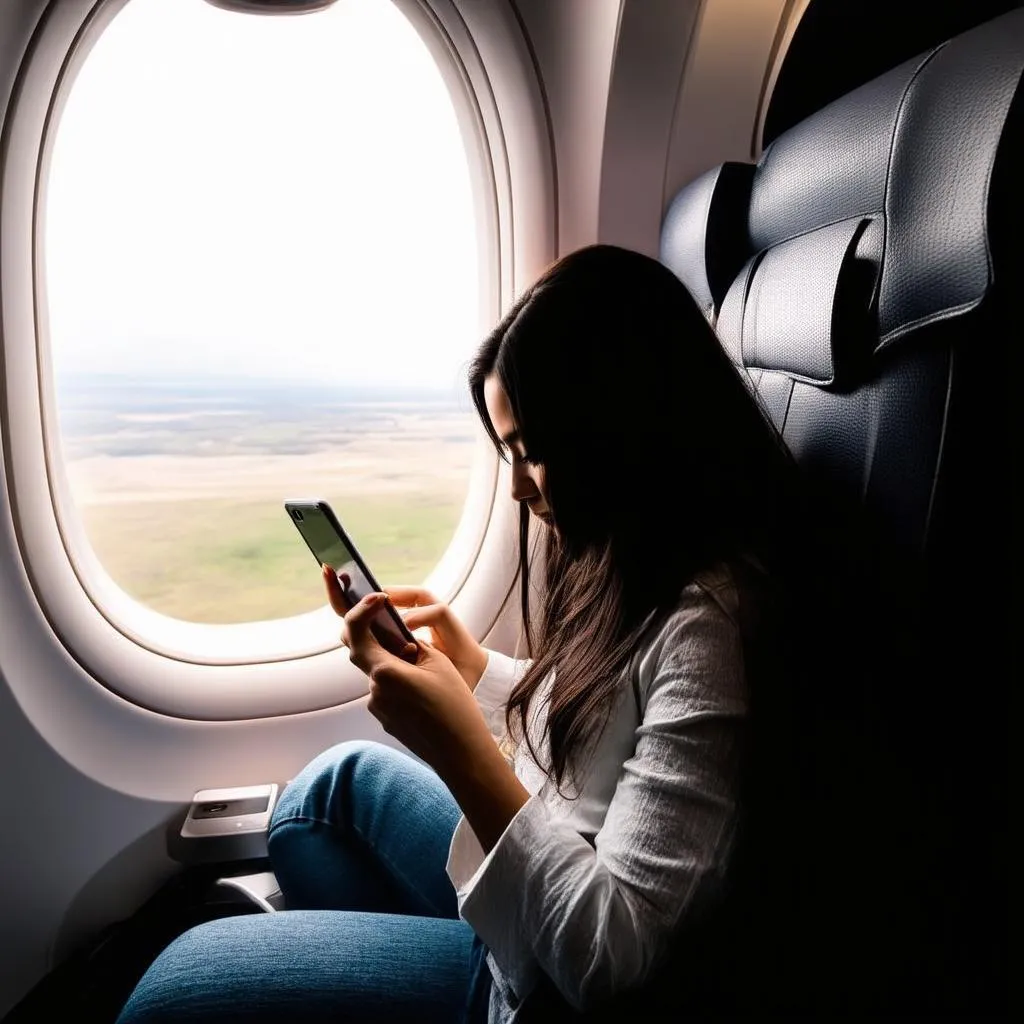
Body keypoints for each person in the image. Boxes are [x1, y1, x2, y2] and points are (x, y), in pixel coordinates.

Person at [115, 244, 810, 1023]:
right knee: (325, 792)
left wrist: (460, 751)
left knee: (167, 992)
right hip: (540, 884)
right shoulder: (642, 554)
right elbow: (612, 741)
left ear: (619, 433)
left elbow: (614, 961)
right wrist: (476, 671)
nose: (516, 487)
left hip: (542, 988)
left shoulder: (708, 633)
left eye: (532, 454)